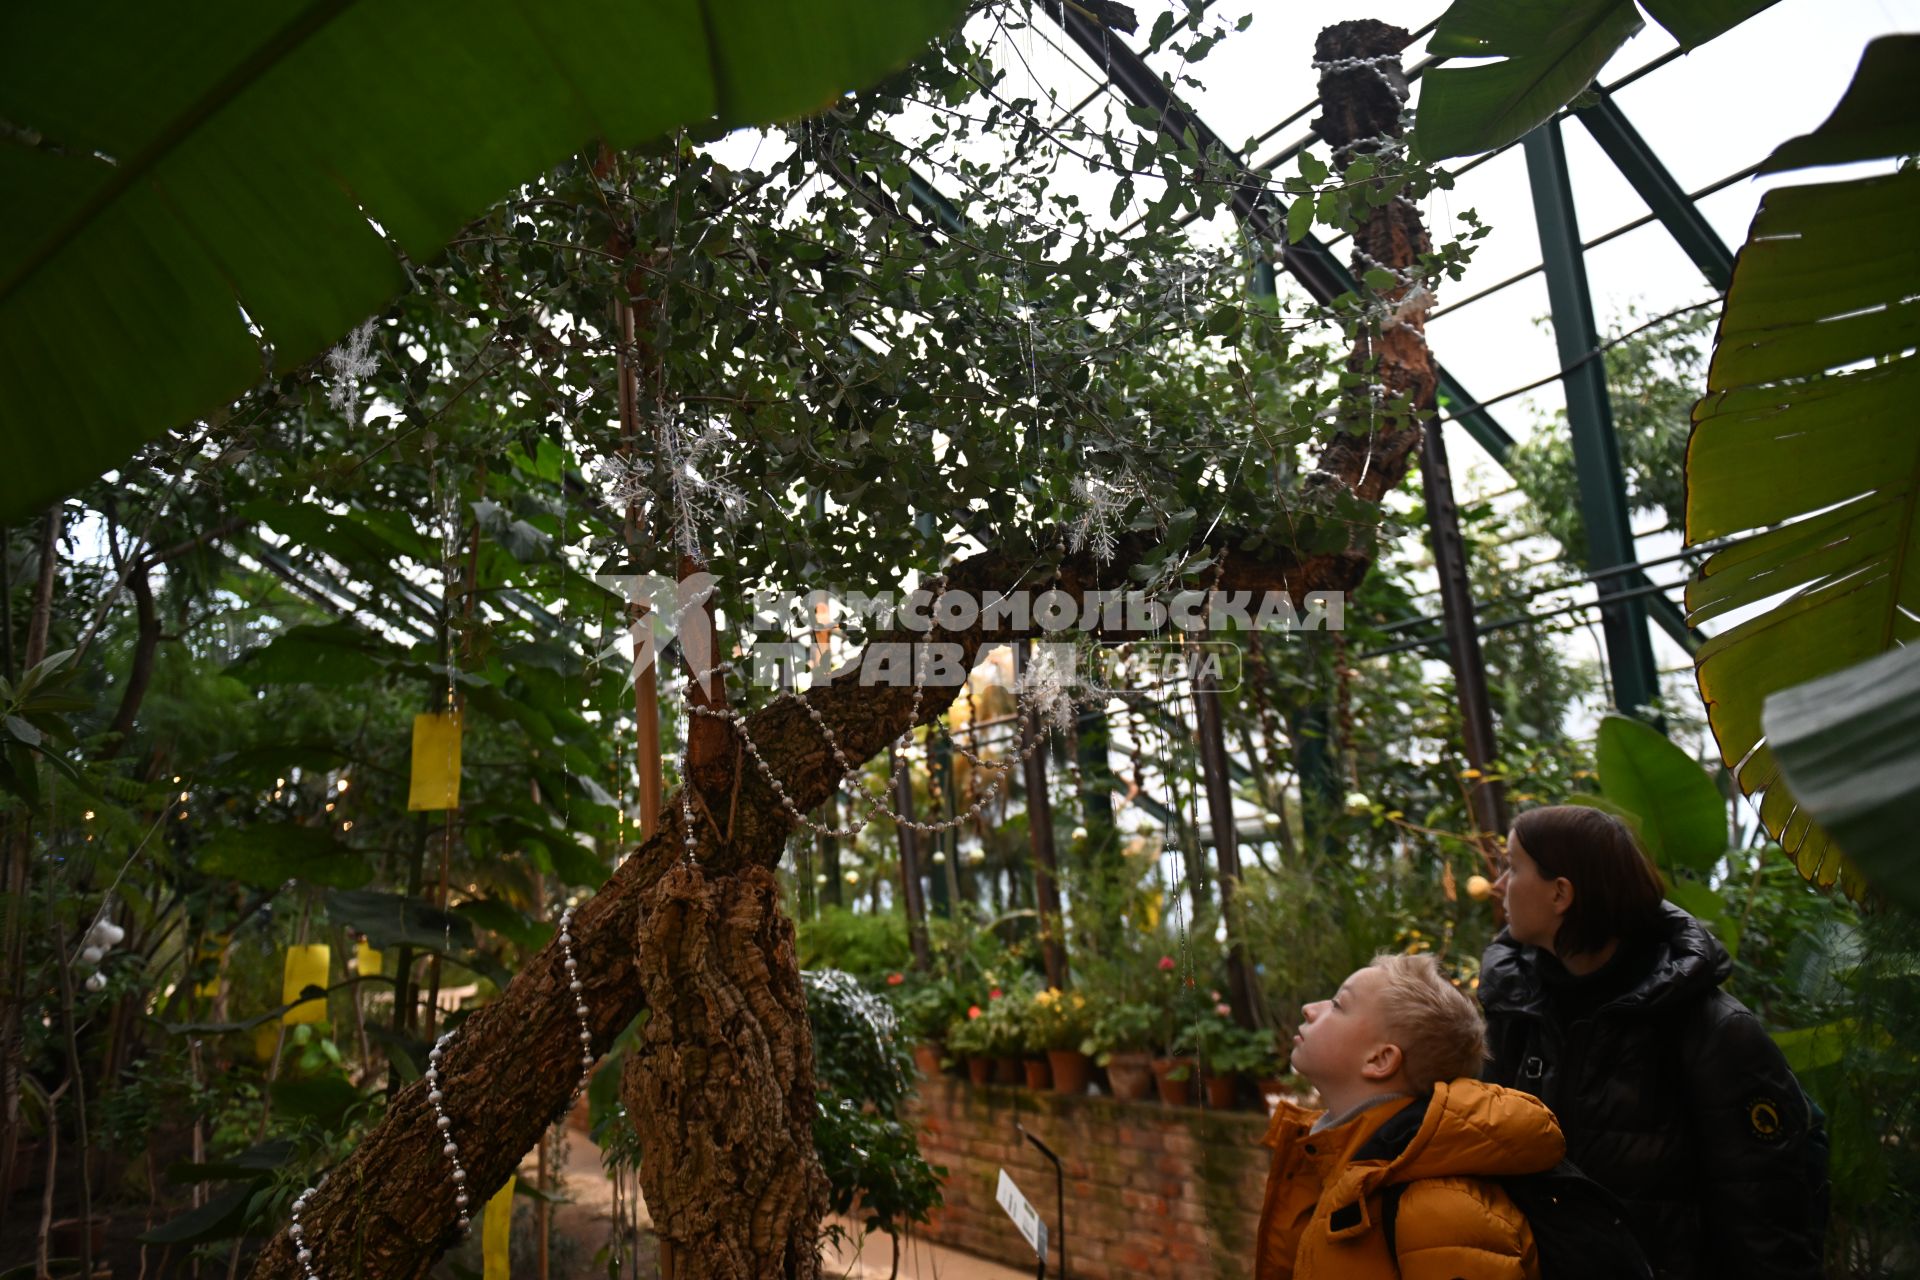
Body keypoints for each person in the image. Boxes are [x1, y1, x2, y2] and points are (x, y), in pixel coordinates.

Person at [1481, 805, 1827, 1279]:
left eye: (1513, 867)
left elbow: (1764, 1220)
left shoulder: (1711, 1030)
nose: (1499, 885)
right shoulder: (1516, 1012)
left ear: (1561, 893)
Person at [1253, 953, 1566, 1280]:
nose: (1310, 1008)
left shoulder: (1443, 1211)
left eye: (1338, 1004)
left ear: (1379, 1059)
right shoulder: (1339, 1160)